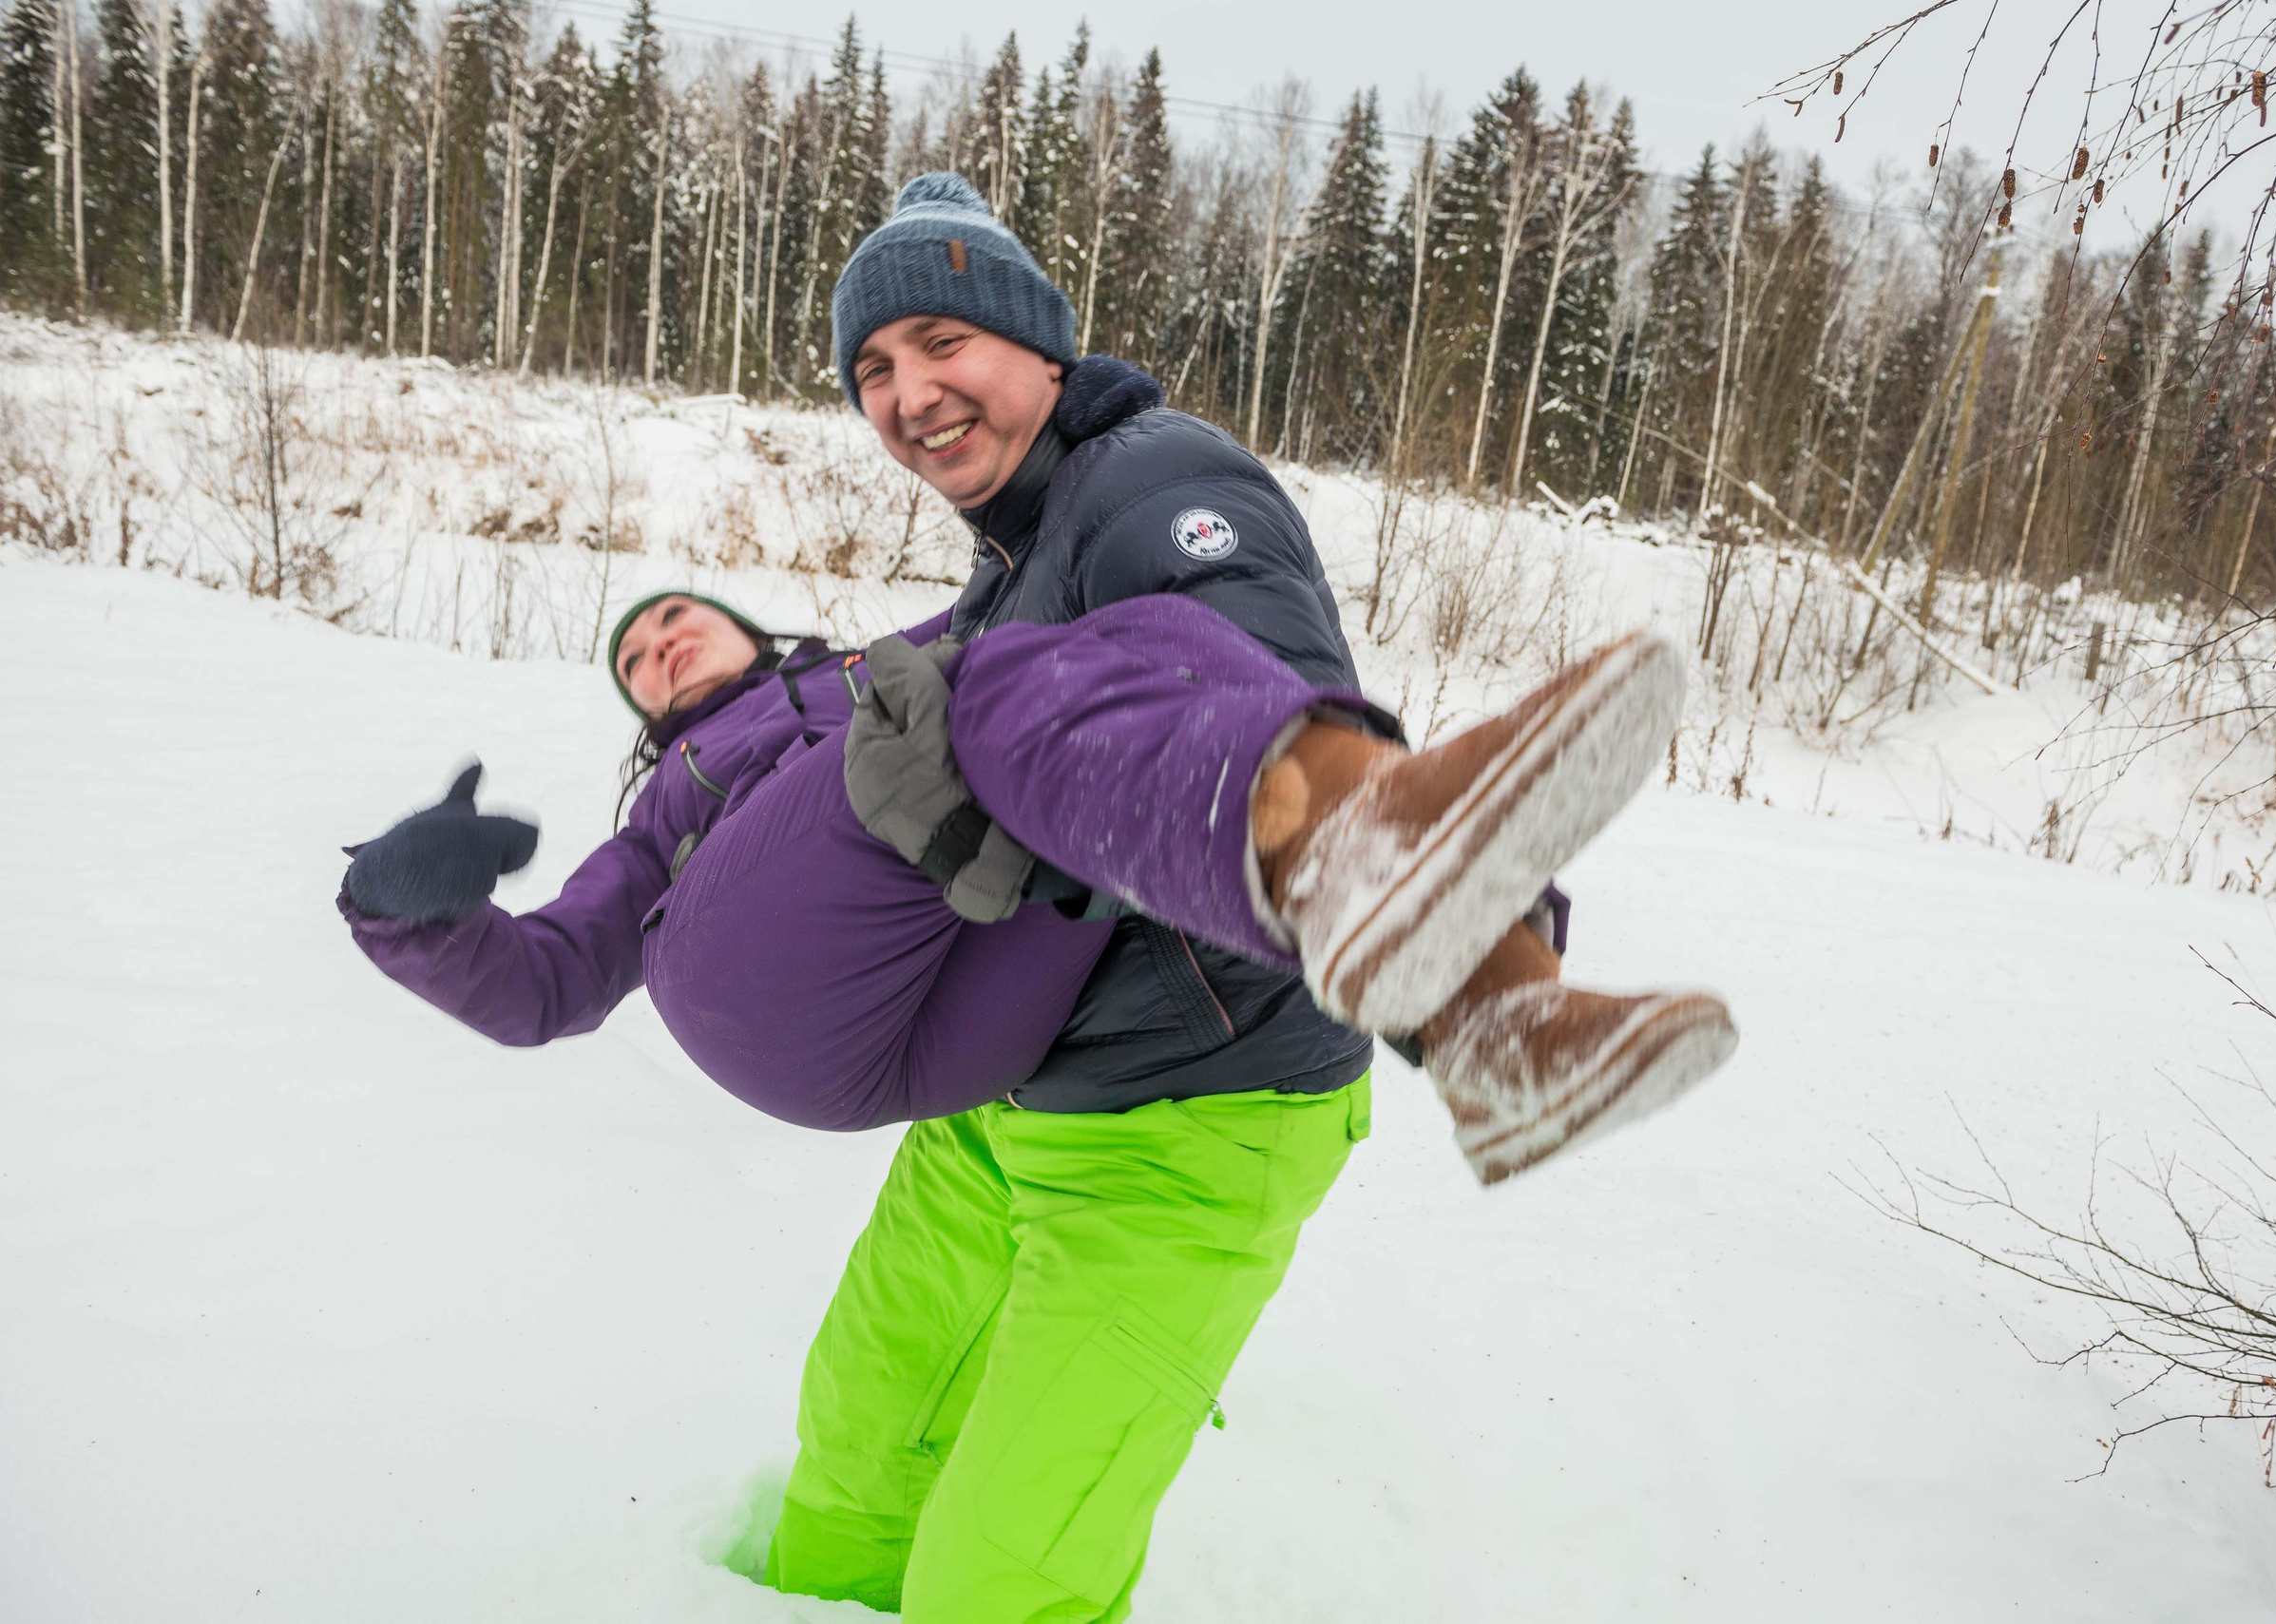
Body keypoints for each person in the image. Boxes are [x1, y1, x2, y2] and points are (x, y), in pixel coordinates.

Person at [336, 171, 1736, 1622]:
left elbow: (1226, 636)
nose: (906, 390)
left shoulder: (1082, 525)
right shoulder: (685, 798)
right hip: (978, 1106)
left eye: (941, 341)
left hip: (1183, 1108)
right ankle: (1458, 963)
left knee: (1002, 1572)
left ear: (1043, 347)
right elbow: (554, 978)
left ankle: (1442, 940)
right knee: (857, 1451)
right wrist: (405, 914)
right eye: (873, 369)